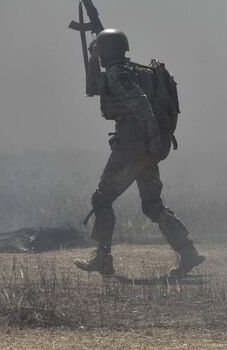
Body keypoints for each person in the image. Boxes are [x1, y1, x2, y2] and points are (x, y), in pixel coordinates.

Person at [73, 29, 204, 277]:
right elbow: (93, 87)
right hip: (145, 148)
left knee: (101, 199)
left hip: (132, 147)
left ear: (107, 51)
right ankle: (188, 252)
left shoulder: (118, 74)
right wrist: (92, 59)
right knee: (152, 205)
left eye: (100, 51)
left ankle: (103, 258)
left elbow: (140, 103)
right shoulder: (136, 72)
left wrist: (153, 138)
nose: (99, 55)